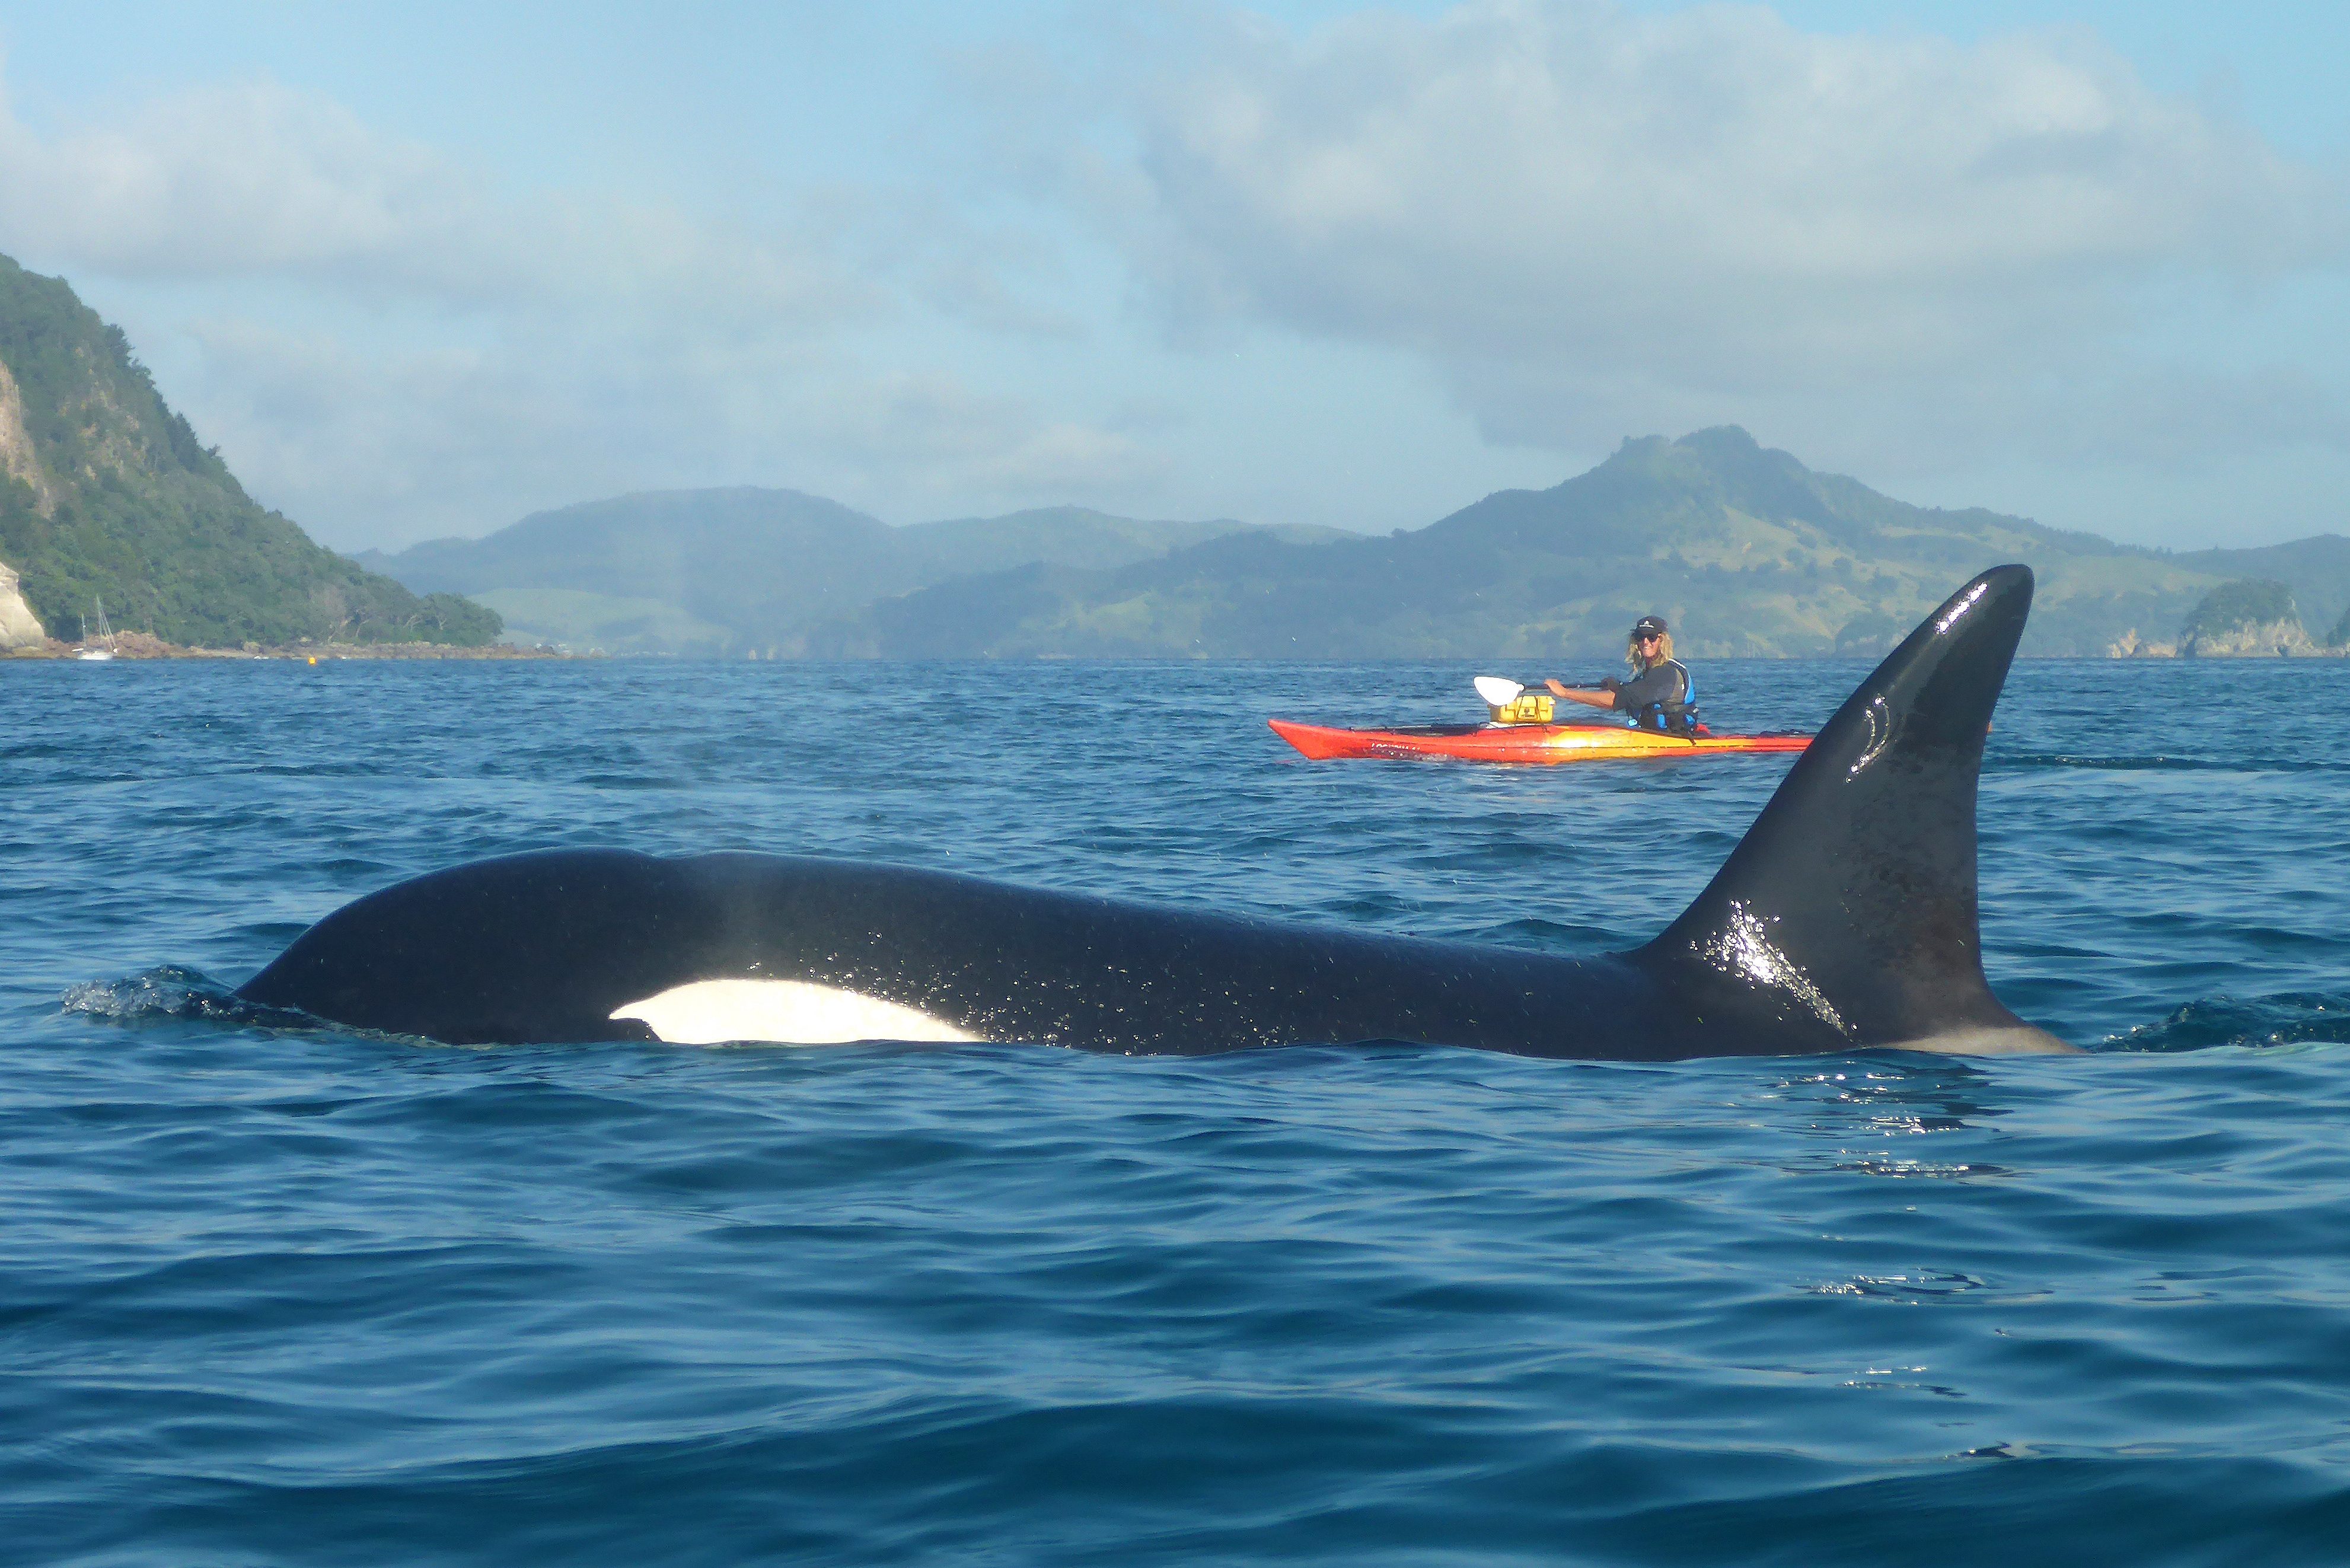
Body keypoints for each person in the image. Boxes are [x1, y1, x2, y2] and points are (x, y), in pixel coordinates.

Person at [1546, 615, 1700, 734]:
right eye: (1641, 637)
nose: (1645, 642)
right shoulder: (1650, 672)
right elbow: (1637, 693)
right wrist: (1619, 687)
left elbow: (1616, 701)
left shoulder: (1665, 673)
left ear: (1661, 640)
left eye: (1651, 637)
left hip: (1670, 740)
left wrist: (1565, 693)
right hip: (1655, 736)